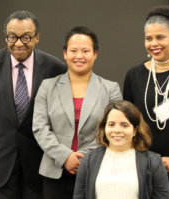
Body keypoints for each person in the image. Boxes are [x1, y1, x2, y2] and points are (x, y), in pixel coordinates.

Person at [0, 10, 66, 199]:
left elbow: (58, 118)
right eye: (12, 37)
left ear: (37, 38)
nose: (18, 43)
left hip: (38, 163)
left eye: (25, 37)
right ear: (6, 37)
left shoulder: (55, 68)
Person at [32, 26, 122, 199]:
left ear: (95, 54)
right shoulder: (47, 87)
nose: (79, 56)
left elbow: (114, 131)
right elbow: (40, 128)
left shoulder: (111, 89)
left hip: (97, 171)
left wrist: (84, 158)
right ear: (65, 54)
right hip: (55, 173)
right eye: (73, 50)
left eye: (85, 51)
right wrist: (65, 156)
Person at [123, 6, 169, 199]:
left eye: (160, 37)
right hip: (147, 168)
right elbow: (128, 123)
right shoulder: (134, 75)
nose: (154, 43)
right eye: (149, 38)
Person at [73, 100, 169, 199]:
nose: (117, 130)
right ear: (104, 127)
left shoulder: (154, 162)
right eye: (111, 124)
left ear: (135, 131)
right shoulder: (88, 160)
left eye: (124, 125)